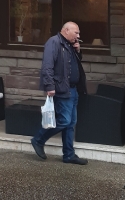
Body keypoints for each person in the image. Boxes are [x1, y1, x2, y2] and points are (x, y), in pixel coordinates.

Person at [31, 21, 88, 164]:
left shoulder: (70, 44)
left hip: (73, 89)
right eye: (76, 33)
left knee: (71, 124)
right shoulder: (54, 42)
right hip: (61, 89)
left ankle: (69, 155)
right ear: (66, 30)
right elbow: (47, 66)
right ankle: (38, 140)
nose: (78, 36)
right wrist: (49, 86)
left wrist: (78, 51)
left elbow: (73, 65)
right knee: (64, 121)